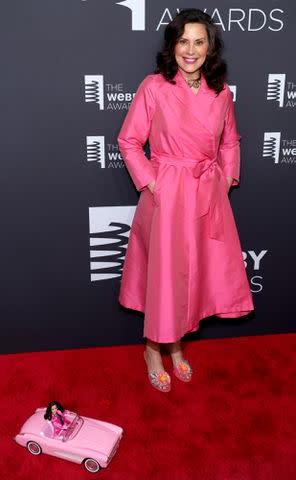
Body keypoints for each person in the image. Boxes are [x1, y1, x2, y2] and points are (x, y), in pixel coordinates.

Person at [117, 9, 254, 392]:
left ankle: (175, 346)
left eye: (199, 41)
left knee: (194, 276)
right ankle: (151, 348)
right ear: (172, 45)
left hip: (207, 194)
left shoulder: (221, 91)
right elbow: (129, 141)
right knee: (167, 276)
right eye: (183, 41)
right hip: (168, 193)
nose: (190, 50)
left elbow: (229, 141)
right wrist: (152, 183)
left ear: (210, 47)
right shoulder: (155, 87)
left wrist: (226, 179)